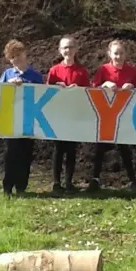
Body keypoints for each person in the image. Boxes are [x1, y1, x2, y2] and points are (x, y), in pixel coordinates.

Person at [88, 39, 136, 193]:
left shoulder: (132, 71)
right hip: (105, 115)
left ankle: (133, 181)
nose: (118, 56)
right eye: (115, 53)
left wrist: (132, 87)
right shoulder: (103, 70)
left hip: (123, 115)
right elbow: (92, 88)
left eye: (121, 53)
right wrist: (104, 84)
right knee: (100, 148)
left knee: (125, 149)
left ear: (126, 54)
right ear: (109, 54)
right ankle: (95, 180)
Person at [46, 36, 90, 193]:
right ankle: (56, 182)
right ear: (60, 50)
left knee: (72, 150)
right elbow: (46, 93)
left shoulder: (82, 71)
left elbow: (88, 93)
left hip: (74, 115)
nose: (68, 50)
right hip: (59, 116)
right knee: (58, 150)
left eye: (71, 47)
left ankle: (69, 182)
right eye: (65, 47)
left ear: (76, 49)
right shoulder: (54, 71)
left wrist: (77, 89)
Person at [0, 39, 43, 197]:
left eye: (18, 55)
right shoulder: (7, 74)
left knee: (26, 153)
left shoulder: (35, 76)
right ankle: (7, 186)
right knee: (10, 153)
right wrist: (7, 85)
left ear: (25, 54)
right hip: (11, 120)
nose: (16, 59)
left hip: (30, 120)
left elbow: (42, 96)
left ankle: (21, 186)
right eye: (12, 57)